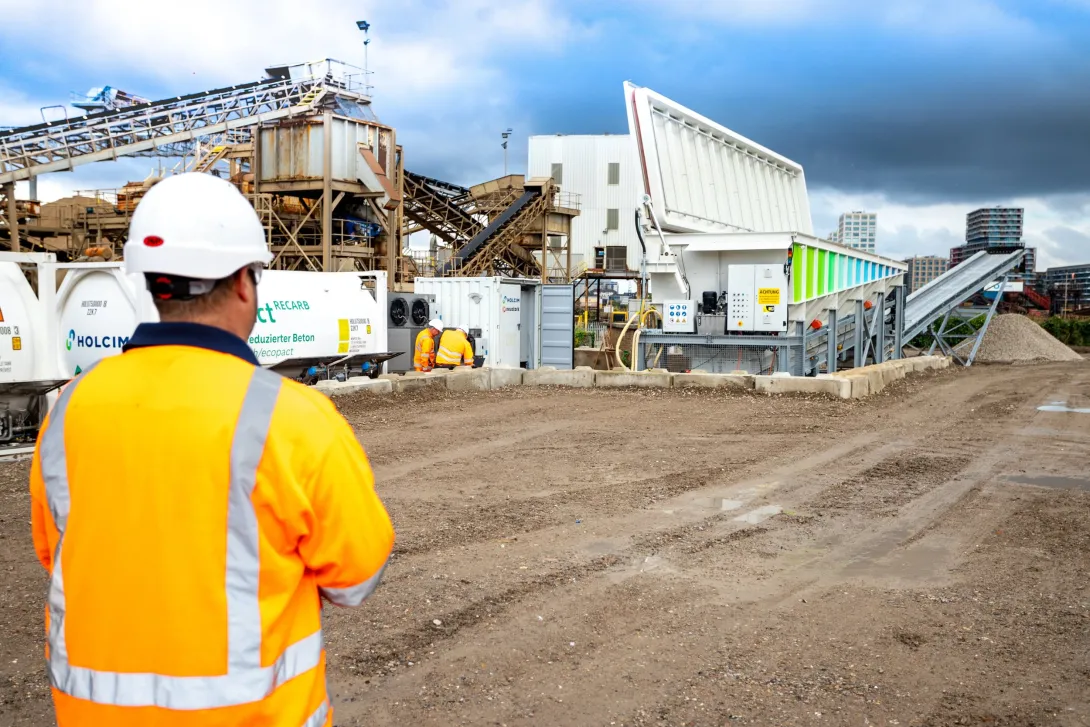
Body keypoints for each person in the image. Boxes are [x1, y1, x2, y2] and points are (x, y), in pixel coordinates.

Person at [29, 173, 395, 727]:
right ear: (247, 283)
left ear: (153, 283)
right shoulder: (292, 418)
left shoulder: (66, 412)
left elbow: (57, 555)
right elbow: (355, 576)